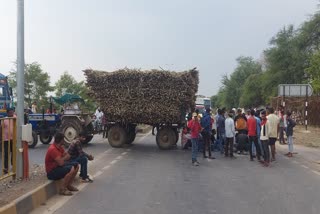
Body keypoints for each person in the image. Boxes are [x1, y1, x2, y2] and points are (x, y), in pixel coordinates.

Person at [2, 108, 16, 174]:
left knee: (13, 152)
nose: (11, 113)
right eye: (10, 112)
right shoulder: (4, 119)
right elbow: (1, 128)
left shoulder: (15, 118)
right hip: (6, 139)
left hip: (13, 139)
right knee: (6, 153)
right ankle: (6, 168)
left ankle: (13, 166)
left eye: (12, 112)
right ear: (7, 113)